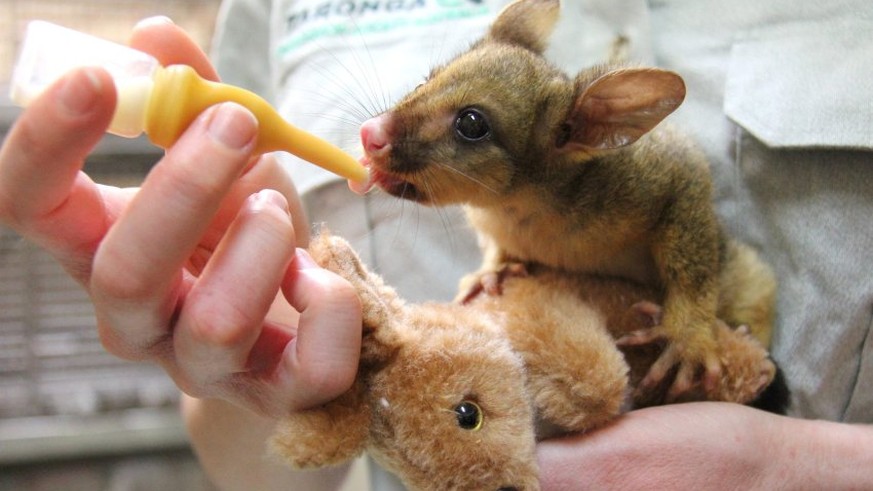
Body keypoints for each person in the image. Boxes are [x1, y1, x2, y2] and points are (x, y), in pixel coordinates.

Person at [1, 0, 871, 489]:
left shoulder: (612, 168)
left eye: (465, 124)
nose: (378, 138)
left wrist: (789, 466)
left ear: (579, 133)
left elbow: (679, 185)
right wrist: (257, 366)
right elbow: (256, 476)